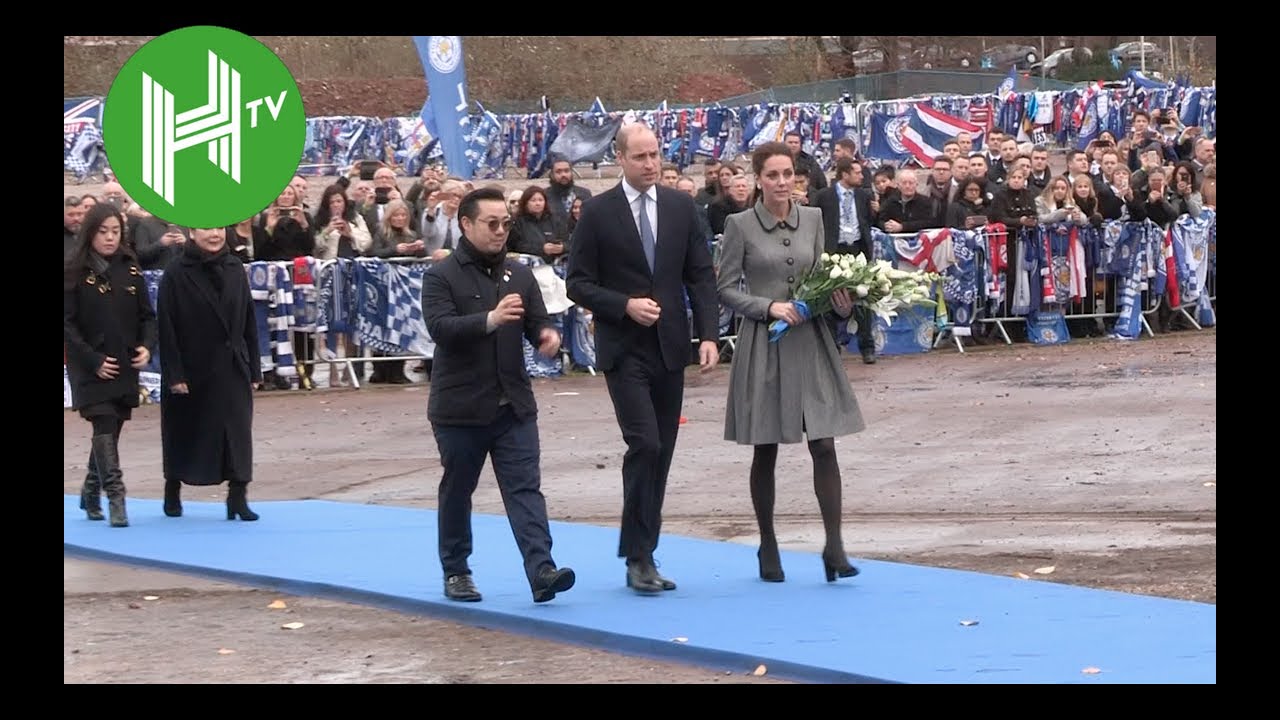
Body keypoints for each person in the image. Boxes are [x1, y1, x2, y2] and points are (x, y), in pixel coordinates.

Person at [565, 124, 720, 595]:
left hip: (670, 347)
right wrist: (623, 305)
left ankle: (646, 551)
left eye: (655, 154)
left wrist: (708, 335)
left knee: (663, 451)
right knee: (645, 445)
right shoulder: (597, 212)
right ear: (620, 159)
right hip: (624, 349)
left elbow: (700, 275)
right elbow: (577, 283)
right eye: (640, 157)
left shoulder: (680, 207)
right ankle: (636, 554)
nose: (651, 164)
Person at [715, 141, 867, 584]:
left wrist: (840, 303)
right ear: (758, 179)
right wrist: (768, 307)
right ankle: (767, 542)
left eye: (788, 175)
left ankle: (834, 546)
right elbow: (725, 288)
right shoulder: (739, 225)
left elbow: (823, 277)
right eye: (773, 175)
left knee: (824, 443)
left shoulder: (814, 219)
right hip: (765, 344)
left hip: (811, 341)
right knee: (766, 447)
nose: (782, 183)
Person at [422, 187, 576, 604]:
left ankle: (542, 570)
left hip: (513, 406)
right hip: (460, 409)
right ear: (466, 224)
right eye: (491, 224)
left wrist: (546, 336)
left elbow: (537, 322)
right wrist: (489, 319)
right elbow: (441, 329)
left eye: (506, 223)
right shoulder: (441, 276)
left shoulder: (520, 274)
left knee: (526, 489)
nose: (500, 231)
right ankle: (456, 570)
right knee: (458, 490)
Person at [156, 227, 262, 521]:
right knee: (184, 432)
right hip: (192, 368)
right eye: (206, 228)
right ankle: (172, 488)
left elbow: (248, 319)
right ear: (192, 233)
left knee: (238, 431)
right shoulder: (176, 272)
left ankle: (238, 496)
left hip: (232, 365)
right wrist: (174, 374)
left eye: (219, 227)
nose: (214, 234)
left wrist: (254, 366)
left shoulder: (235, 267)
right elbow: (166, 326)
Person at [63, 204, 157, 527]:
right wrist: (93, 360)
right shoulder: (73, 271)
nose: (109, 238)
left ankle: (91, 489)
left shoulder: (130, 268)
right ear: (90, 233)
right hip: (89, 365)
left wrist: (147, 346)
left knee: (113, 425)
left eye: (115, 231)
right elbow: (68, 324)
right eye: (103, 231)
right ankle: (116, 497)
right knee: (103, 422)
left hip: (123, 362)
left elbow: (147, 316)